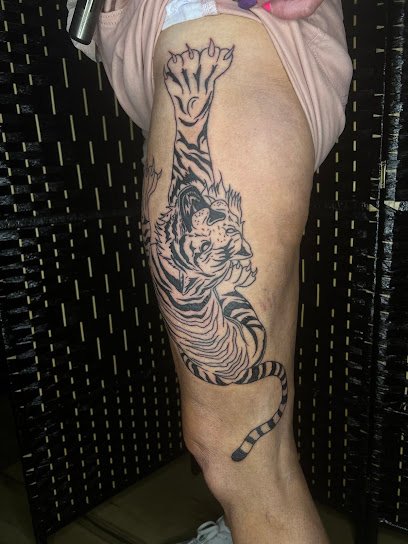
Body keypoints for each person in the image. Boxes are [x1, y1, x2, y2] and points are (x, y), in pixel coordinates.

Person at [66, 1, 352, 542]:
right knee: (248, 456)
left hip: (224, 28)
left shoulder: (204, 264)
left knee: (235, 453)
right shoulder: (204, 236)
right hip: (166, 42)